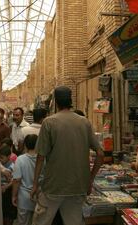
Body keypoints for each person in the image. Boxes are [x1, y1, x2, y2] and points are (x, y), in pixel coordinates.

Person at [31, 86, 104, 225]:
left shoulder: (49, 122)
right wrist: (90, 180)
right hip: (78, 187)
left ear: (55, 103)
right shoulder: (84, 122)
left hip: (53, 186)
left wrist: (35, 184)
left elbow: (40, 156)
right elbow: (100, 154)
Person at [12, 134, 39, 225]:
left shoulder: (20, 159)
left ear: (26, 145)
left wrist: (14, 196)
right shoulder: (43, 159)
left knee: (22, 222)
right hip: (38, 196)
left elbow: (17, 180)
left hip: (23, 197)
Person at [0, 145, 16, 225]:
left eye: (2, 157)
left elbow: (14, 180)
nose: (0, 159)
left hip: (7, 191)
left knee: (8, 213)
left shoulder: (12, 166)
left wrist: (6, 186)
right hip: (0, 190)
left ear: (9, 156)